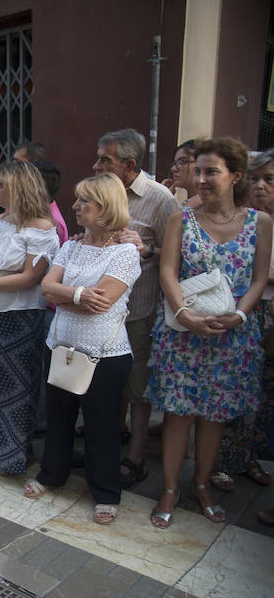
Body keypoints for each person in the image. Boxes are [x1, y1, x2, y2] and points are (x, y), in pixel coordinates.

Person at [147, 137, 272, 528]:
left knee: (215, 415)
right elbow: (168, 271)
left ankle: (202, 484)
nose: (200, 178)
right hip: (182, 332)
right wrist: (183, 314)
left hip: (231, 335)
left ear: (236, 176)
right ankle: (169, 487)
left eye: (210, 171)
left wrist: (239, 315)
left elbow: (257, 279)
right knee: (178, 413)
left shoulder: (260, 223)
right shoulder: (180, 219)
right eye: (197, 170)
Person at [23, 173, 141, 525]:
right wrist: (76, 296)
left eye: (84, 201)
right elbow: (46, 288)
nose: (75, 207)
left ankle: (106, 491)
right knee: (58, 418)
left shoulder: (125, 253)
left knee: (101, 425)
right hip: (60, 346)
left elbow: (102, 303)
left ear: (105, 206)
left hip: (104, 355)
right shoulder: (71, 245)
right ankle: (51, 474)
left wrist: (67, 296)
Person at [91, 128, 177, 489]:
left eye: (105, 160)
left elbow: (178, 256)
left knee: (138, 387)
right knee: (107, 383)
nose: (96, 166)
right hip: (101, 310)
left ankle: (136, 455)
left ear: (129, 164)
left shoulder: (160, 199)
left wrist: (146, 251)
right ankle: (111, 440)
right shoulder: (99, 192)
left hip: (138, 310)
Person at [0, 161, 59, 474]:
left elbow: (29, 278)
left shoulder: (43, 229)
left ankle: (14, 455)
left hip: (20, 317)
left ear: (20, 187)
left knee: (16, 388)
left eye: (2, 185)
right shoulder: (0, 222)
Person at [209, 148, 274, 492]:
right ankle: (220, 462)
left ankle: (249, 458)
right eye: (255, 179)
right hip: (244, 310)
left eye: (269, 179)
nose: (260, 186)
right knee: (231, 386)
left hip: (262, 312)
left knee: (261, 394)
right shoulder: (242, 219)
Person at [161, 140, 200, 207]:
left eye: (182, 162)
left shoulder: (207, 207)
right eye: (174, 163)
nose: (173, 169)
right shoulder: (185, 206)